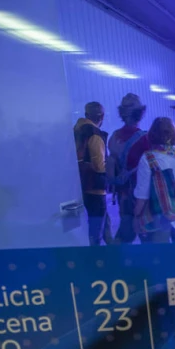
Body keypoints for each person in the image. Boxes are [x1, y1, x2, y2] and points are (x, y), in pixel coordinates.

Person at [133, 117, 175, 243]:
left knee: (158, 255)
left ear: (152, 134)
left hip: (158, 222)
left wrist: (137, 218)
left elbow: (142, 196)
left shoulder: (148, 158)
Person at [107, 93, 150, 243]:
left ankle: (117, 254)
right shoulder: (145, 139)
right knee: (147, 234)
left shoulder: (113, 137)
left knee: (126, 229)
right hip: (141, 195)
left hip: (122, 194)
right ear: (140, 113)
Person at [74, 102, 110, 246]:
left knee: (79, 228)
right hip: (95, 189)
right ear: (102, 116)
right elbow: (99, 166)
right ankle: (96, 255)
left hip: (78, 186)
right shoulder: (95, 134)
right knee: (96, 230)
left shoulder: (75, 130)